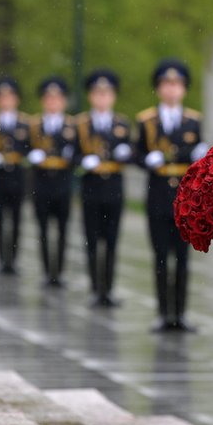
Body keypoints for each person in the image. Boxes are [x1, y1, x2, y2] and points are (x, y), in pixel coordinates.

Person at [136, 59, 208, 332]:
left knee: (183, 258)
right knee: (160, 257)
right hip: (157, 194)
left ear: (184, 89)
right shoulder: (146, 121)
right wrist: (146, 159)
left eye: (176, 84)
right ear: (158, 88)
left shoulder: (193, 120)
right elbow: (135, 153)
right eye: (166, 84)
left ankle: (180, 313)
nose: (171, 90)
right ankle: (163, 312)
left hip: (185, 198)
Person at [75, 69, 132, 307]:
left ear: (113, 97)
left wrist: (126, 153)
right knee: (91, 238)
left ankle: (108, 288)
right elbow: (71, 153)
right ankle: (95, 288)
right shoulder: (80, 124)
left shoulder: (121, 123)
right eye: (98, 93)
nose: (102, 98)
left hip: (114, 186)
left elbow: (132, 150)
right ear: (91, 96)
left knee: (111, 240)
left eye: (106, 93)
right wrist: (82, 160)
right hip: (91, 186)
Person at [29, 76, 77, 287]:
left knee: (63, 229)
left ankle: (60, 272)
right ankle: (47, 271)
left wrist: (71, 156)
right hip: (41, 182)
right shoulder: (34, 125)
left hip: (63, 182)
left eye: (57, 99)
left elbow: (79, 151)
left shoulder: (73, 126)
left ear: (64, 102)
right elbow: (24, 147)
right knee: (43, 228)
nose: (53, 103)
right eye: (49, 99)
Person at [0, 77, 31, 275]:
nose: (6, 101)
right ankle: (1, 259)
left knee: (17, 218)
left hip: (17, 173)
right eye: (2, 97)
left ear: (16, 99)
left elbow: (30, 147)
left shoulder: (26, 123)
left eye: (10, 97)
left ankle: (14, 259)